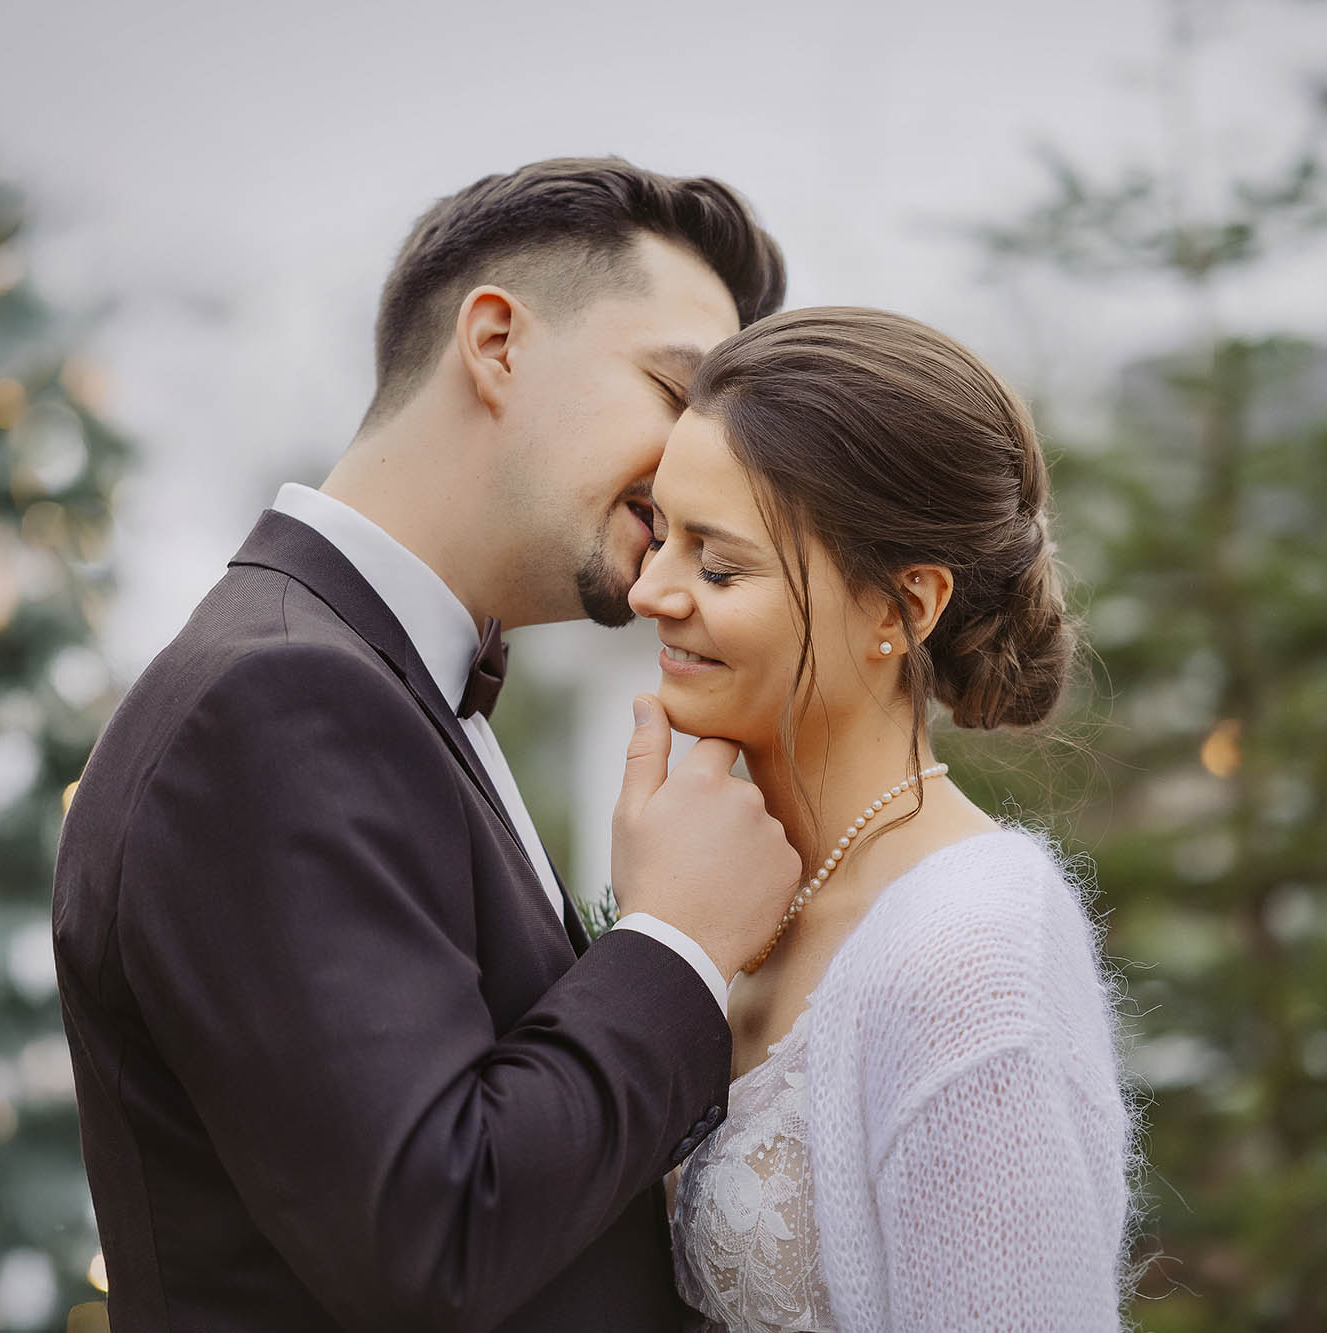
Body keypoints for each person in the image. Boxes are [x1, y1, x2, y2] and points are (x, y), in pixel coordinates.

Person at [51, 158, 802, 1332]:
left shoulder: (368, 685)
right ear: (495, 341)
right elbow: (434, 1230)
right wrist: (677, 947)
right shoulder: (278, 700)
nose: (702, 466)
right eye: (676, 392)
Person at [632, 307, 1136, 1332]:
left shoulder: (964, 961)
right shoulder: (715, 876)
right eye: (657, 535)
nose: (650, 590)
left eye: (716, 565)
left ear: (898, 609)